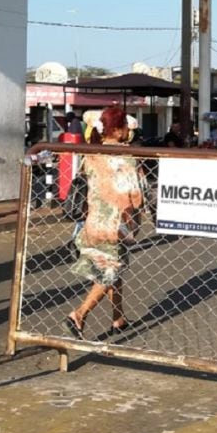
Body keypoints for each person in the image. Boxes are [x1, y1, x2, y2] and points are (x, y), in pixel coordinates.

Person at [64, 106, 143, 339]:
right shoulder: (126, 158)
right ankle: (79, 314)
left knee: (112, 268)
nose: (129, 131)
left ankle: (118, 317)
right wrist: (136, 217)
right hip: (116, 221)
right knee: (109, 271)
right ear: (118, 131)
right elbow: (135, 194)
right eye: (126, 127)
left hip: (93, 220)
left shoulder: (91, 155)